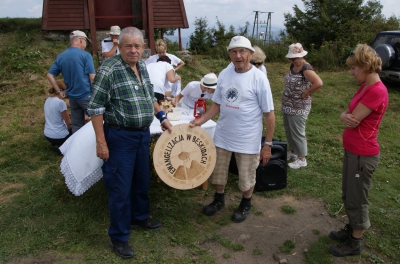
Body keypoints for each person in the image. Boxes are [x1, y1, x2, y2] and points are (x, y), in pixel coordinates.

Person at [87, 27, 173, 259]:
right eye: (128, 46)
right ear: (120, 46)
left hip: (142, 135)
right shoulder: (109, 69)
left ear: (144, 48)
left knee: (141, 180)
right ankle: (119, 236)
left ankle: (139, 217)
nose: (133, 50)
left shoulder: (142, 67)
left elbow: (149, 97)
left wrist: (162, 118)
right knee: (120, 187)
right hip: (119, 137)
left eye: (138, 46)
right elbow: (95, 108)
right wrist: (101, 142)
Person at [189, 36, 275, 223]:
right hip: (223, 134)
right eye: (234, 51)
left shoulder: (259, 78)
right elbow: (216, 105)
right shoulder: (225, 74)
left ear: (250, 54)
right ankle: (219, 199)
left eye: (242, 51)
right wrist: (200, 121)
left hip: (247, 137)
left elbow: (269, 114)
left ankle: (246, 203)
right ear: (229, 54)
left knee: (246, 176)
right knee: (218, 172)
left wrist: (267, 144)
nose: (238, 55)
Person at [329, 44, 388, 257]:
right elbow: (347, 114)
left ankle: (355, 241)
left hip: (363, 154)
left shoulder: (376, 90)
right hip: (353, 150)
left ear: (365, 66)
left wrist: (346, 116)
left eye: (354, 68)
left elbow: (353, 119)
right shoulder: (364, 87)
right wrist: (344, 116)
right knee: (348, 192)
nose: (351, 72)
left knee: (357, 197)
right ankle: (352, 228)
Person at [282, 43, 323, 169]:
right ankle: (294, 152)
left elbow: (318, 83)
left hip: (299, 107)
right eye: (291, 58)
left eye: (295, 58)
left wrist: (306, 92)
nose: (292, 61)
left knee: (298, 132)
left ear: (301, 56)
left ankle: (302, 158)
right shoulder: (293, 66)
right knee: (289, 131)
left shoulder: (306, 68)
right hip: (288, 105)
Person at [47, 30, 95, 134]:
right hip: (86, 95)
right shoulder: (86, 55)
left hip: (72, 97)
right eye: (86, 42)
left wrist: (59, 91)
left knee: (77, 125)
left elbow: (49, 75)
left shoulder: (61, 56)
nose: (86, 45)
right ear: (82, 40)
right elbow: (92, 77)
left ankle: (78, 148)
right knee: (99, 121)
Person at [44, 80, 72, 150]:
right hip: (60, 136)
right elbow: (69, 124)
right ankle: (62, 147)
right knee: (78, 129)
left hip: (47, 135)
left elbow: (54, 114)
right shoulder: (60, 103)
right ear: (62, 90)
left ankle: (56, 145)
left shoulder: (48, 100)